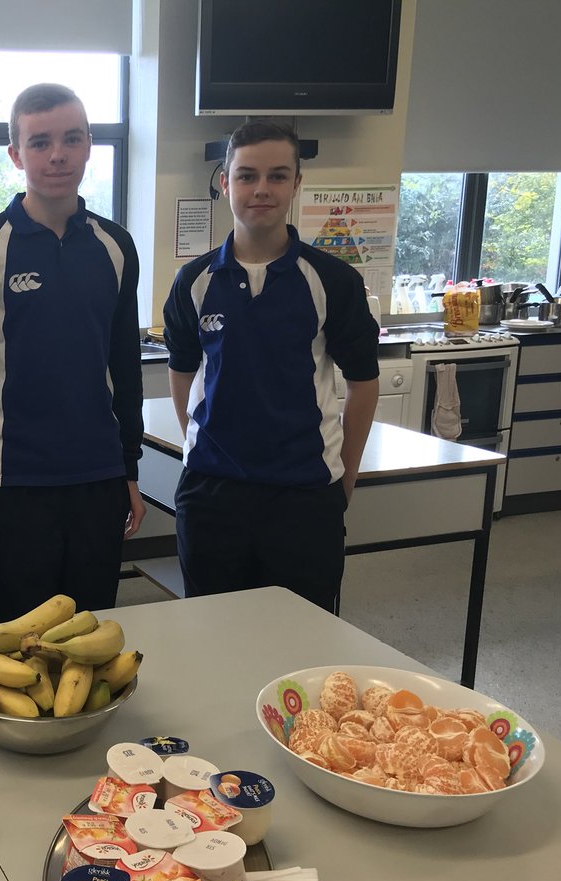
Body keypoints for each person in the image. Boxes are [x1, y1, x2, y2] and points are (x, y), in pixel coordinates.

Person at [0, 83, 145, 625]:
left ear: (89, 145)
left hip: (97, 478)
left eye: (72, 139)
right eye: (41, 142)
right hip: (13, 481)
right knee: (19, 639)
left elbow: (125, 366)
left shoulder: (115, 245)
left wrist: (130, 470)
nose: (58, 154)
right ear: (15, 154)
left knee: (89, 635)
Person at [161, 120, 380, 613]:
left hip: (303, 497)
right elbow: (182, 371)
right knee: (212, 635)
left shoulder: (333, 280)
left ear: (297, 184)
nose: (262, 189)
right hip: (212, 496)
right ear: (226, 183)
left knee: (302, 642)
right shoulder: (193, 282)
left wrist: (346, 474)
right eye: (247, 175)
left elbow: (364, 384)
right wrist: (198, 442)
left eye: (278, 176)